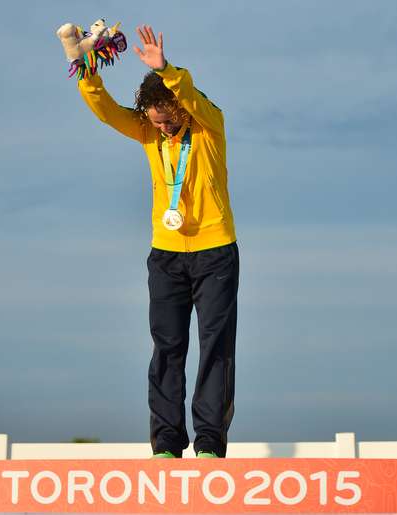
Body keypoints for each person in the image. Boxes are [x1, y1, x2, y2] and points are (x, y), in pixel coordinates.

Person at [77, 25, 239, 458]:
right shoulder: (150, 132)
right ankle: (166, 443)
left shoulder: (209, 125)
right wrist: (87, 71)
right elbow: (107, 111)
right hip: (166, 255)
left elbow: (186, 95)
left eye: (168, 120)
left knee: (215, 347)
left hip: (215, 252)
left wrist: (165, 70)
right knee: (167, 349)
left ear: (181, 109)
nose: (163, 129)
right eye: (155, 121)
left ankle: (209, 442)